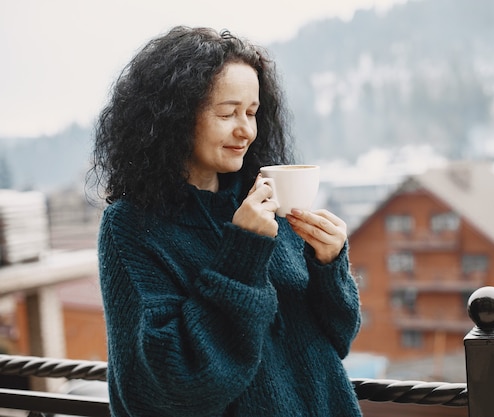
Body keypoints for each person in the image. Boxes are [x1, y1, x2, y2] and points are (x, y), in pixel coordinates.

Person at [89, 26, 363, 417]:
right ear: (175, 116)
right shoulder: (131, 227)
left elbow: (336, 339)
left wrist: (329, 265)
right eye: (227, 113)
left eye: (251, 112)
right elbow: (169, 386)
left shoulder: (267, 197)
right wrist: (242, 253)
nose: (246, 130)